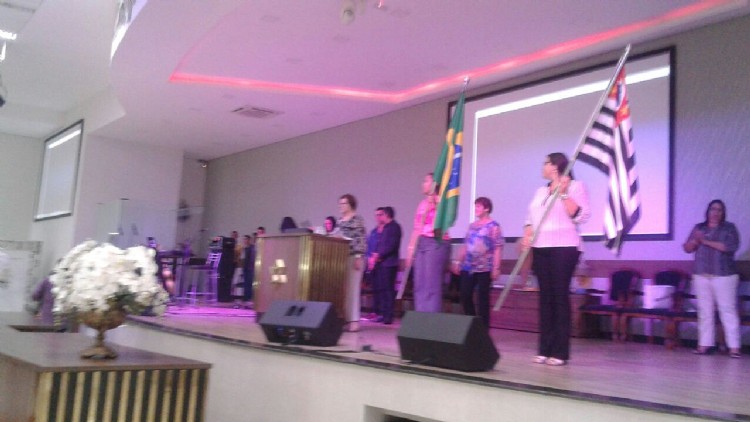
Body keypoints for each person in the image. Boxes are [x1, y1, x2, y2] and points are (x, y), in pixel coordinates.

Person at [521, 152, 590, 366]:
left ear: (554, 166)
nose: (542, 167)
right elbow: (530, 218)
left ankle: (560, 352)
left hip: (564, 247)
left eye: (545, 163)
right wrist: (527, 234)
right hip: (541, 247)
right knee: (545, 298)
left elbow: (581, 215)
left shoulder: (575, 186)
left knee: (560, 296)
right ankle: (545, 348)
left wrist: (563, 193)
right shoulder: (540, 191)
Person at [683, 200, 741, 358]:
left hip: (724, 275)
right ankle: (704, 345)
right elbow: (687, 248)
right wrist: (694, 241)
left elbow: (729, 247)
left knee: (727, 310)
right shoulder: (699, 228)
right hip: (701, 274)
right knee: (704, 311)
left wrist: (704, 241)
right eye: (713, 209)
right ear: (707, 211)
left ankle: (734, 347)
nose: (715, 212)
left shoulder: (729, 228)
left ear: (723, 213)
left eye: (719, 210)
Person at [453, 197, 504, 327]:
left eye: (479, 206)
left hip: (485, 268)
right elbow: (465, 245)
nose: (476, 209)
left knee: (483, 300)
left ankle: (483, 329)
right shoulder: (472, 226)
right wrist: (458, 261)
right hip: (468, 266)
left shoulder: (494, 226)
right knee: (465, 294)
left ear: (487, 208)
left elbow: (498, 247)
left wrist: (496, 267)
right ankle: (472, 324)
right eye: (475, 206)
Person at [406, 173, 450, 313]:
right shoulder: (422, 204)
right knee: (420, 283)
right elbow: (416, 228)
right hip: (422, 243)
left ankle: (431, 318)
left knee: (432, 284)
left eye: (426, 181)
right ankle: (421, 316)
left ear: (434, 184)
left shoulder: (442, 201)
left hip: (436, 242)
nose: (423, 184)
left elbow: (444, 222)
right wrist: (410, 249)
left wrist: (434, 203)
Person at [336, 194, 367, 332]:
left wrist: (359, 257)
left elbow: (361, 239)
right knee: (344, 291)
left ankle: (354, 321)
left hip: (354, 256)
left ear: (350, 205)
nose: (341, 206)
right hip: (341, 257)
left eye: (344, 203)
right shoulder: (340, 220)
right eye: (340, 203)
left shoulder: (357, 219)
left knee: (353, 289)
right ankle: (345, 319)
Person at [368, 206, 402, 324]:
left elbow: (392, 246)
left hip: (389, 264)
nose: (379, 217)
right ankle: (383, 314)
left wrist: (379, 254)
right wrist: (375, 255)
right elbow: (381, 245)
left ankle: (388, 316)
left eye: (381, 214)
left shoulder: (395, 227)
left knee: (388, 291)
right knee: (382, 290)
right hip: (382, 263)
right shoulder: (386, 228)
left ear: (386, 215)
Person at [241, 234, 256, 308]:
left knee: (249, 283)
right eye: (244, 239)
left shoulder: (252, 248)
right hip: (245, 267)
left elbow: (252, 259)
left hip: (250, 268)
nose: (245, 241)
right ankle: (245, 298)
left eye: (246, 239)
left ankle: (249, 298)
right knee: (245, 283)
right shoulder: (244, 248)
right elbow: (242, 259)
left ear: (249, 240)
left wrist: (251, 267)